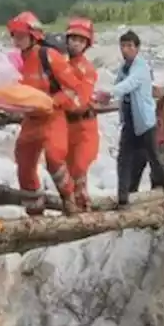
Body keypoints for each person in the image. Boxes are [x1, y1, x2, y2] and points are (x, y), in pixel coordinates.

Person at [7, 11, 84, 215]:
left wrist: (53, 102)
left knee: (54, 158)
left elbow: (73, 87)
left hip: (52, 117)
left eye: (21, 35)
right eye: (15, 35)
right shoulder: (14, 62)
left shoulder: (48, 56)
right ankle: (34, 211)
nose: (17, 39)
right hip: (30, 120)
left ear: (34, 36)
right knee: (23, 163)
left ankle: (69, 199)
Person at [95, 30, 164, 208]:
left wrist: (108, 93)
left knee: (155, 157)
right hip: (130, 122)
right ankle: (123, 198)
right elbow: (120, 86)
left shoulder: (141, 67)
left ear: (137, 48)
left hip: (145, 122)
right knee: (123, 159)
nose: (126, 49)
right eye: (123, 46)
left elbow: (129, 85)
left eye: (130, 46)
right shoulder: (123, 69)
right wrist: (103, 97)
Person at [63, 17, 100, 210]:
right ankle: (77, 208)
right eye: (73, 39)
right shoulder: (62, 65)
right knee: (68, 173)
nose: (75, 43)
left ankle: (82, 209)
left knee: (79, 168)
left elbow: (81, 101)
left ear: (86, 44)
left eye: (80, 40)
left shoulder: (86, 70)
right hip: (67, 127)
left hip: (84, 127)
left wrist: (58, 101)